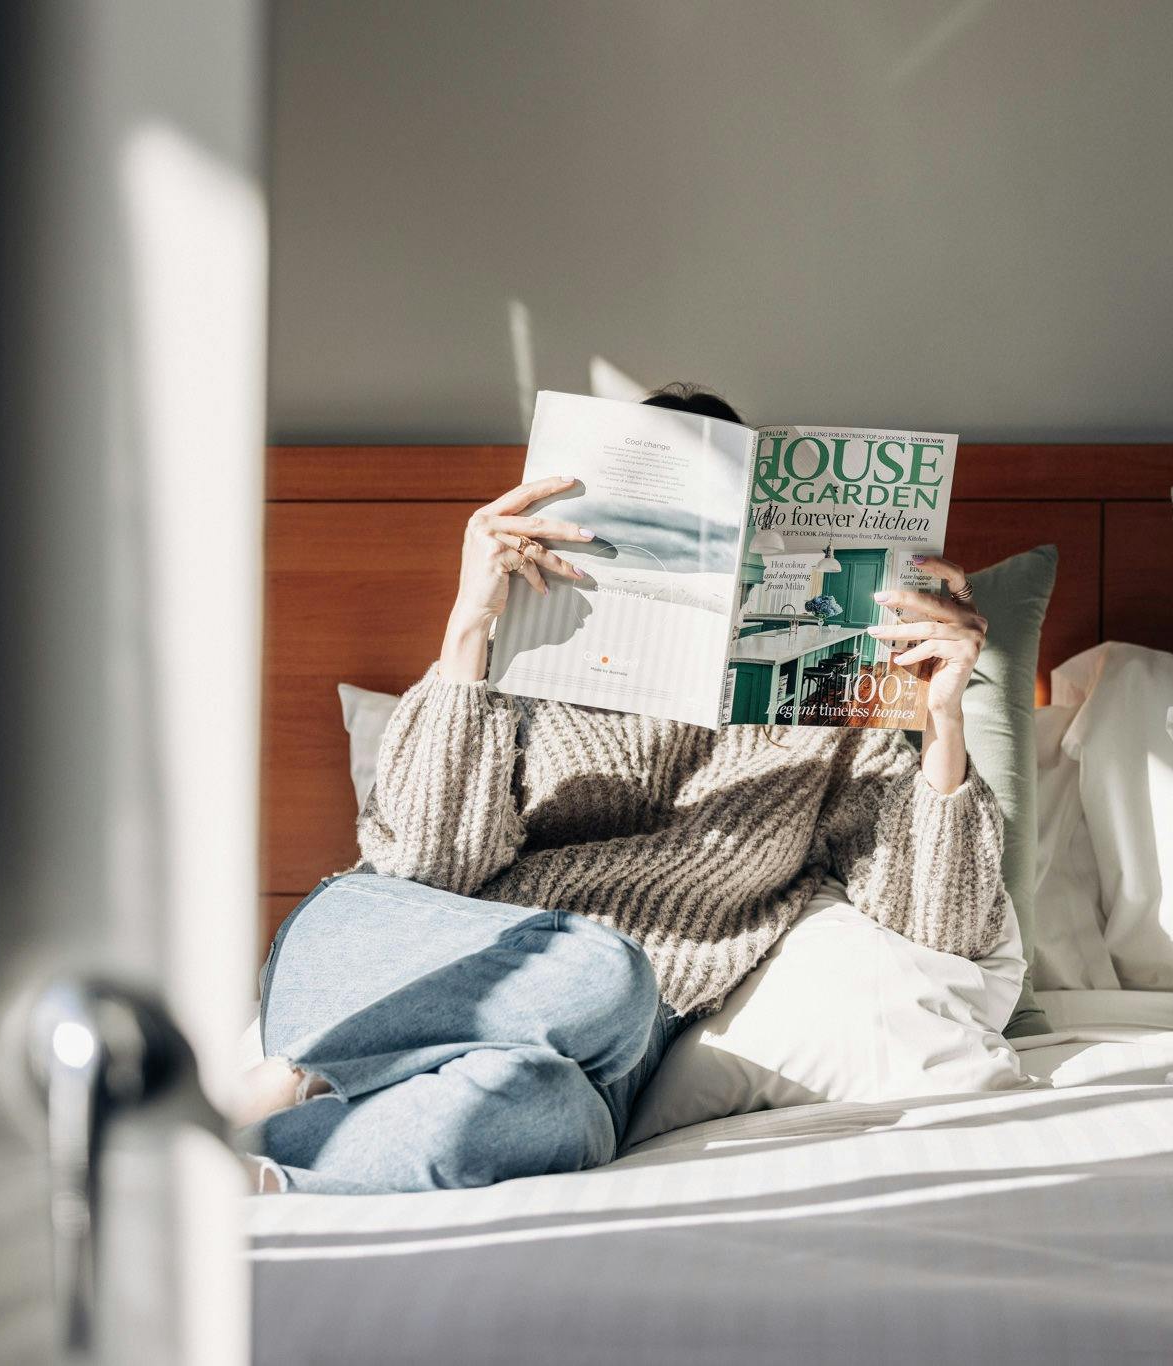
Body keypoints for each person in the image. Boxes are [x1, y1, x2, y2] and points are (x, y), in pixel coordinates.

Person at [236, 383, 1010, 1194]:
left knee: (553, 1114)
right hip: (387, 967)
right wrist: (470, 629)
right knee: (604, 973)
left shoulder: (824, 716)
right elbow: (423, 865)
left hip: (603, 1055)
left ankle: (260, 1172)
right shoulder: (528, 656)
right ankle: (298, 1068)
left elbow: (940, 925)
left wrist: (940, 718)